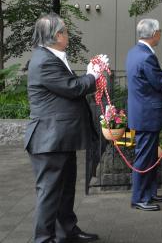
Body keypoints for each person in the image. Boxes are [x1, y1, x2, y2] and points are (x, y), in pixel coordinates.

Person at [25, 12, 105, 243]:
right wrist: (92, 74)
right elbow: (72, 88)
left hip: (58, 138)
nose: (68, 35)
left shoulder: (51, 56)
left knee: (65, 189)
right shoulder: (44, 61)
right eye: (65, 31)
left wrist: (90, 74)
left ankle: (67, 232)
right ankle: (43, 239)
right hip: (48, 139)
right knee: (49, 193)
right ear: (56, 35)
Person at [126, 19, 162, 211]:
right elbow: (159, 83)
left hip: (142, 113)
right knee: (144, 158)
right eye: (159, 31)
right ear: (154, 34)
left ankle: (149, 193)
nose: (160, 34)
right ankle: (139, 197)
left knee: (149, 157)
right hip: (147, 116)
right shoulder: (146, 56)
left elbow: (147, 82)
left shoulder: (135, 53)